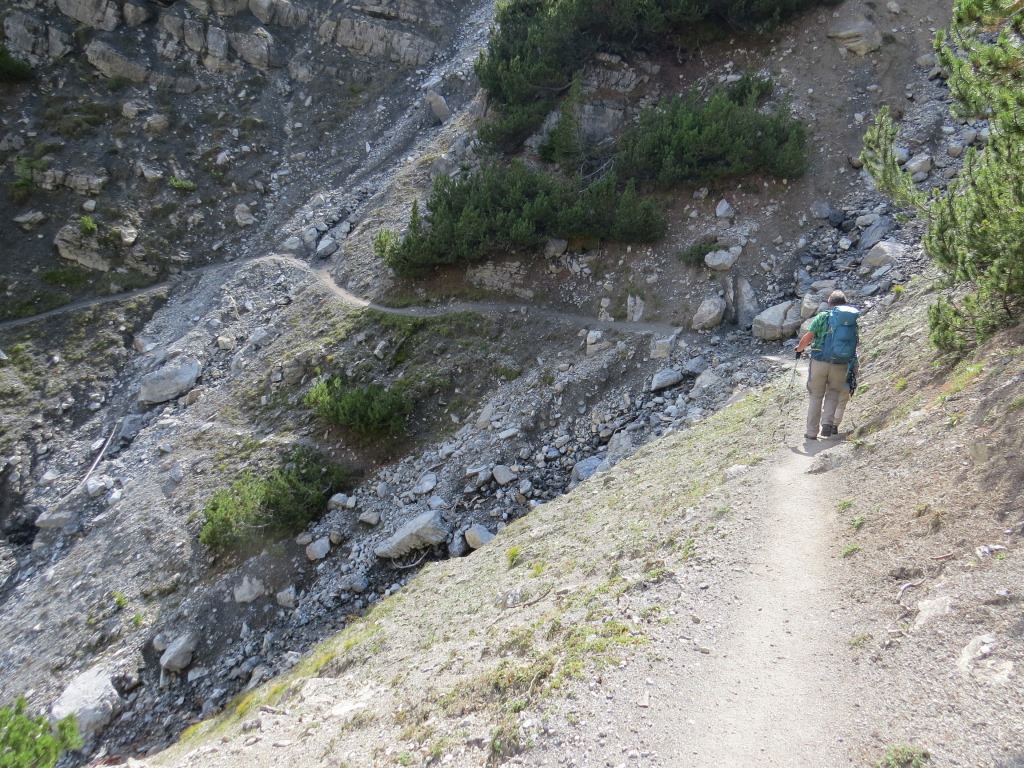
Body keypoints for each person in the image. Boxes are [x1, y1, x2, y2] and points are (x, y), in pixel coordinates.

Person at [794, 290, 859, 440]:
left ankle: (811, 432)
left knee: (816, 395)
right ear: (845, 304)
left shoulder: (823, 316)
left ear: (830, 303)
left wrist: (800, 348)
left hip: (819, 362)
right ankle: (827, 424)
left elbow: (808, 337)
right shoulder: (851, 321)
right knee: (834, 393)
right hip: (840, 363)